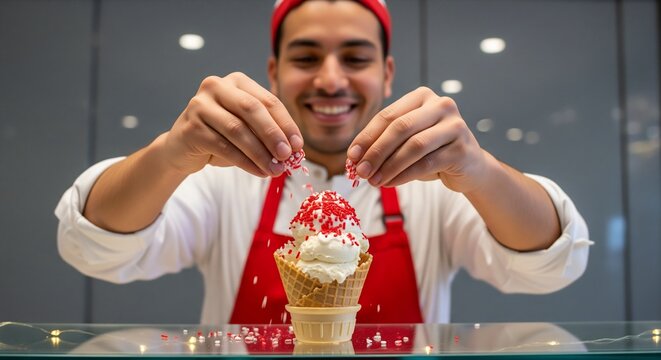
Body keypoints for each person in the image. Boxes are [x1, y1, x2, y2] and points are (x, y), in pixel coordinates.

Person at [55, 0, 592, 324]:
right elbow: (95, 249)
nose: (331, 79)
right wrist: (171, 153)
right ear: (273, 70)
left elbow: (549, 267)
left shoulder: (434, 185)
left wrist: (479, 170)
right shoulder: (221, 180)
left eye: (355, 58)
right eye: (306, 57)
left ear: (386, 72)